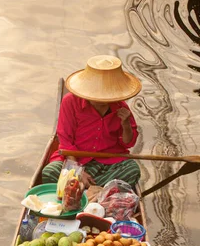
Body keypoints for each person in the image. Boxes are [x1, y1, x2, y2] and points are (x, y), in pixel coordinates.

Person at [42, 55, 142, 188]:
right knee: (50, 172)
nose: (99, 99)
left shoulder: (121, 108)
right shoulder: (70, 102)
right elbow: (65, 140)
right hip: (74, 158)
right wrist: (77, 171)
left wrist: (126, 125)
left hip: (108, 161)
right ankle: (98, 188)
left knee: (132, 170)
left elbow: (128, 143)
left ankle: (87, 188)